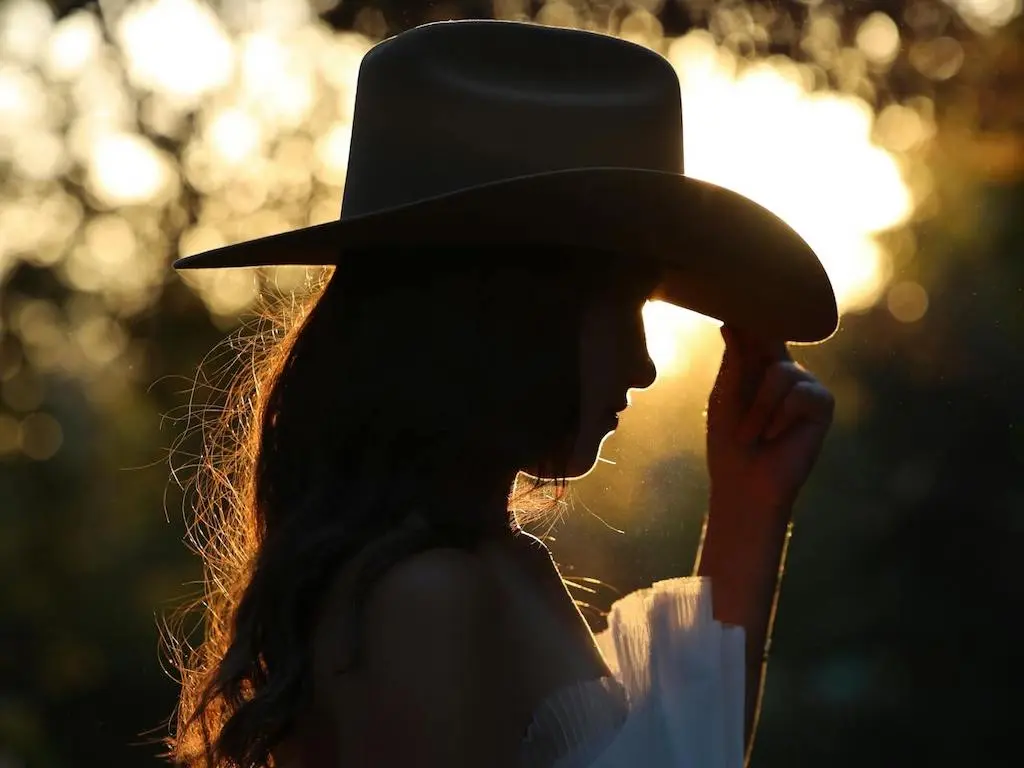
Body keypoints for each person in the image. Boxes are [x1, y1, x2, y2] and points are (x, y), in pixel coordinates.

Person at [163, 19, 837, 768]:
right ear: (511, 312)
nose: (645, 366)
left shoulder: (492, 567)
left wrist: (751, 504)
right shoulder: (426, 600)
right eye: (625, 308)